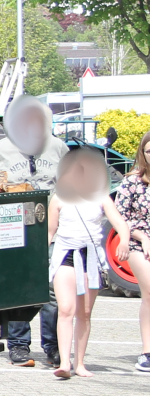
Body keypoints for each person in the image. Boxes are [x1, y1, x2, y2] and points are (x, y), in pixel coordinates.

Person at [0, 95, 67, 366]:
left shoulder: (57, 147)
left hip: (52, 228)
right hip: (17, 228)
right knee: (21, 285)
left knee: (51, 289)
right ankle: (19, 346)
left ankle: (53, 345)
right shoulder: (0, 148)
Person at [48, 148, 131, 379]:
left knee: (84, 312)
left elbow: (120, 224)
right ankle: (64, 362)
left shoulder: (101, 197)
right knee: (66, 309)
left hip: (90, 256)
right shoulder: (59, 198)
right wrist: (37, 260)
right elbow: (49, 232)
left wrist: (124, 240)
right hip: (65, 254)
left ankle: (80, 363)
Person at [109, 135, 150, 374]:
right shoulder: (132, 182)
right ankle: (147, 352)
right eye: (148, 151)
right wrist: (143, 238)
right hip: (138, 242)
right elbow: (120, 219)